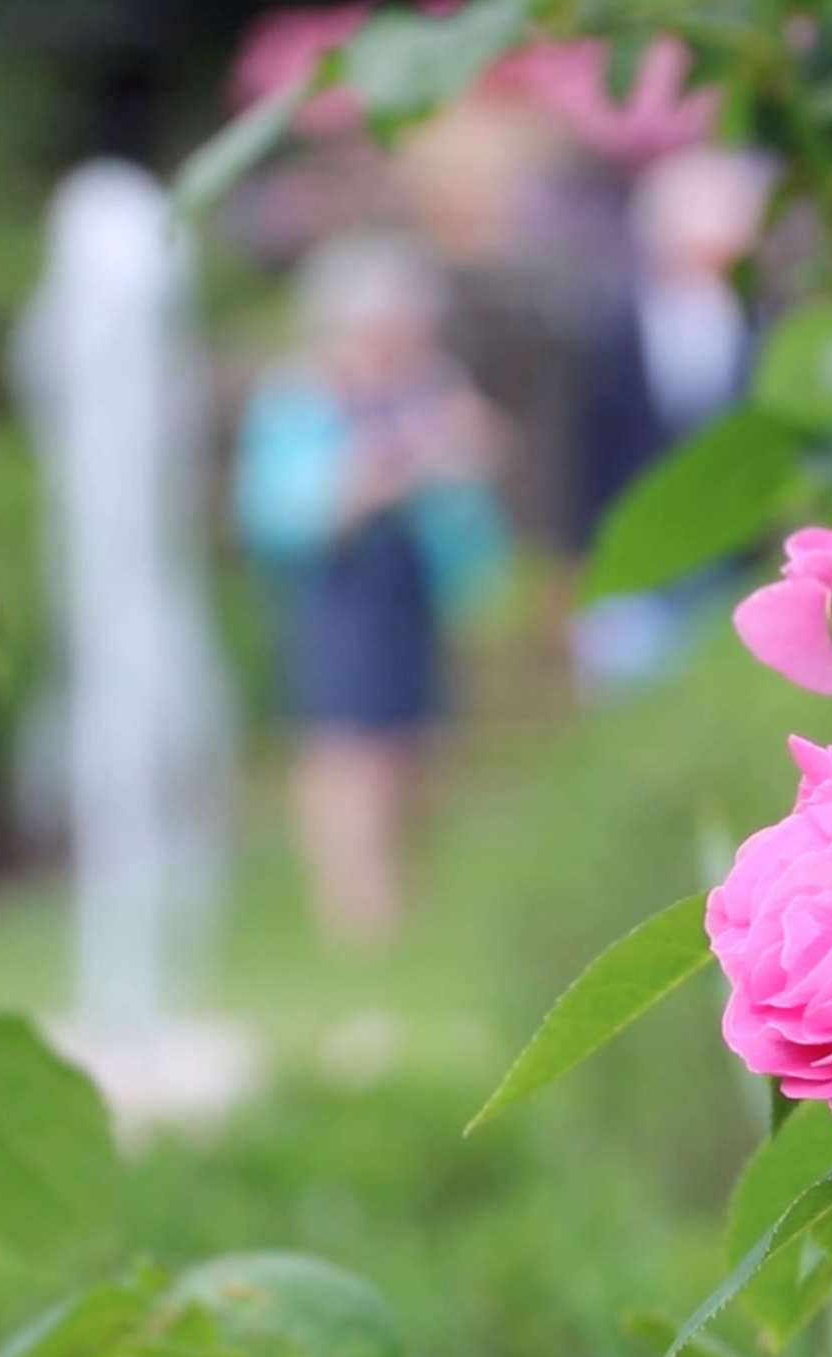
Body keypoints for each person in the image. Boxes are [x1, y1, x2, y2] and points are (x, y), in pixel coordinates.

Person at [234, 232, 507, 948]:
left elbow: (469, 486)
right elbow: (273, 510)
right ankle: (354, 911)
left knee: (415, 746)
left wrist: (464, 454)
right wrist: (363, 482)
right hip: (338, 582)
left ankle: (399, 898)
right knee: (346, 746)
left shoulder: (429, 385)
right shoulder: (300, 393)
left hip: (412, 577)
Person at [565, 147, 771, 697]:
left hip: (736, 561)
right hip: (636, 558)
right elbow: (587, 447)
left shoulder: (769, 325)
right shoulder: (611, 330)